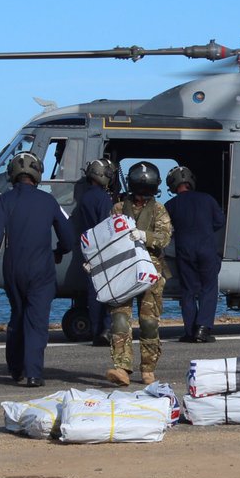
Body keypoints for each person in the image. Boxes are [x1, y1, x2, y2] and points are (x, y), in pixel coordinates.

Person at [0, 151, 75, 388]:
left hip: (14, 269)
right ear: (37, 174)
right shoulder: (49, 202)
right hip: (41, 268)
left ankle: (15, 367)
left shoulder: (5, 201)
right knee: (37, 321)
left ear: (12, 174)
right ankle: (33, 373)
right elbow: (69, 237)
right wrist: (59, 251)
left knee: (18, 316)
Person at [105, 160, 172, 386]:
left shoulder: (159, 210)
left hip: (151, 272)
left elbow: (164, 238)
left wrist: (145, 236)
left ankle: (148, 368)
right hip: (123, 270)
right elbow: (108, 236)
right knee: (120, 320)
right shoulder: (117, 208)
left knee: (149, 323)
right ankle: (122, 368)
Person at [164, 165, 225, 343]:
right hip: (206, 248)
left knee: (188, 291)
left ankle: (190, 331)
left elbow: (166, 229)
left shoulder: (171, 205)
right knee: (209, 287)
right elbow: (219, 222)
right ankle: (203, 328)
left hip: (184, 250)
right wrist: (205, 229)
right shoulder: (207, 199)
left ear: (173, 185)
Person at [73, 158, 117, 346]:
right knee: (106, 289)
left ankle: (96, 329)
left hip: (88, 249)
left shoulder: (84, 198)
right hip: (102, 249)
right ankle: (106, 329)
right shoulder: (103, 198)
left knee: (93, 290)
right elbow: (106, 226)